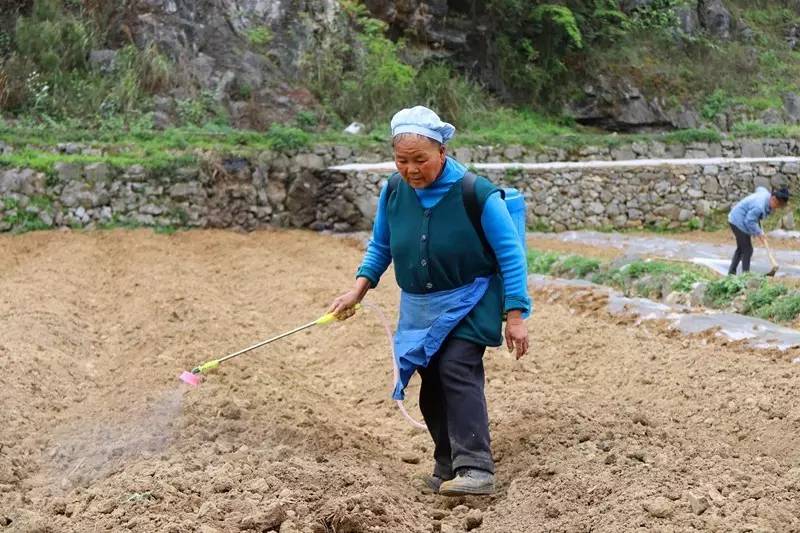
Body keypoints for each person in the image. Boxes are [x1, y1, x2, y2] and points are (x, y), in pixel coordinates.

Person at [328, 106, 531, 496]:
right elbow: (381, 246)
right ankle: (446, 465)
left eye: (420, 160)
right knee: (431, 382)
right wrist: (358, 289)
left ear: (443, 151)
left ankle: (476, 468)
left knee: (456, 367)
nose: (411, 169)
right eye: (401, 160)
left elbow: (511, 255)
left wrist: (515, 316)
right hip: (420, 305)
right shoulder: (393, 191)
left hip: (471, 298)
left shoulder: (477, 193)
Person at [728, 186, 790, 275]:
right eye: (777, 205)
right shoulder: (759, 207)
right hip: (738, 221)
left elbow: (760, 188)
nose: (776, 208)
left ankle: (731, 273)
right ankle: (745, 276)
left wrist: (758, 231)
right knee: (747, 250)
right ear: (773, 199)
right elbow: (749, 221)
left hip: (739, 217)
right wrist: (759, 232)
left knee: (741, 248)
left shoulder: (766, 194)